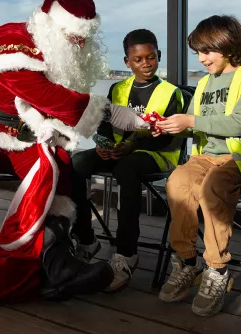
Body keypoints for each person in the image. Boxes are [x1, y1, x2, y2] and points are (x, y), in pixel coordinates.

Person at [0, 0, 150, 303]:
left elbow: (58, 108)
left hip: (28, 132)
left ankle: (56, 259)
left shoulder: (63, 57)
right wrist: (118, 115)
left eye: (84, 39)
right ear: (49, 23)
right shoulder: (12, 44)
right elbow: (54, 100)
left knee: (58, 171)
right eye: (73, 37)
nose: (79, 44)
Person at [154, 15, 241, 317]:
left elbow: (240, 123)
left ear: (228, 45)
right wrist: (170, 126)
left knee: (212, 187)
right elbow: (194, 125)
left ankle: (217, 269)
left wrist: (190, 120)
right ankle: (186, 262)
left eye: (206, 51)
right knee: (177, 182)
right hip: (205, 158)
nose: (201, 59)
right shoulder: (205, 82)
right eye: (197, 52)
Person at [70, 29, 184, 293]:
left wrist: (133, 145)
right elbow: (106, 126)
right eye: (138, 59)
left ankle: (126, 253)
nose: (146, 63)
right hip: (121, 153)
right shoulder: (117, 89)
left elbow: (170, 139)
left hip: (157, 155)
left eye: (151, 57)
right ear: (127, 62)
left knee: (126, 168)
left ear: (159, 56)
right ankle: (86, 240)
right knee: (77, 162)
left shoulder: (171, 93)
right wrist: (103, 146)